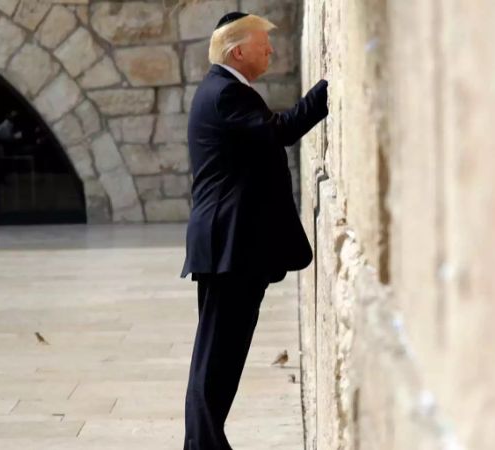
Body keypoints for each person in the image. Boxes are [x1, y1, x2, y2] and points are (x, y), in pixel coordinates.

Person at [180, 11, 329, 450]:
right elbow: (279, 131)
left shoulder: (227, 90)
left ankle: (203, 444)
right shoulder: (225, 94)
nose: (271, 50)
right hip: (228, 246)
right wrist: (329, 89)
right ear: (237, 50)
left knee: (222, 359)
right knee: (215, 360)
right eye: (263, 43)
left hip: (234, 247)